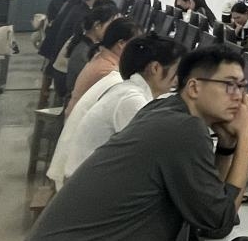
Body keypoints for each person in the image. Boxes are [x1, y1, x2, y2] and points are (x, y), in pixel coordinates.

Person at [6, 44, 248, 241]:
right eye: (229, 85)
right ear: (193, 87)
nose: (239, 96)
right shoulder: (183, 130)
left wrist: (227, 147)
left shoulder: (163, 109)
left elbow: (208, 201)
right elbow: (218, 221)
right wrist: (246, 139)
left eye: (242, 86)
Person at [57, 36, 186, 188]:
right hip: (85, 187)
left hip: (86, 179)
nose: (178, 79)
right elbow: (148, 154)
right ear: (155, 68)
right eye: (176, 71)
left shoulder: (129, 90)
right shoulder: (131, 99)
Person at [67, 18, 141, 115]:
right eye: (136, 45)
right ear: (121, 44)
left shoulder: (100, 57)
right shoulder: (108, 72)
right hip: (79, 120)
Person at [60, 0, 119, 99]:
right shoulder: (84, 53)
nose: (114, 31)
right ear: (97, 26)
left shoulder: (87, 45)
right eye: (111, 25)